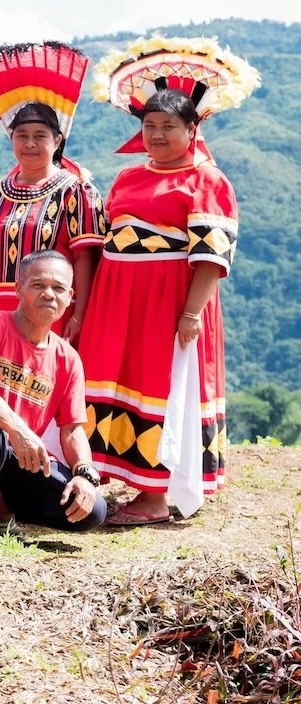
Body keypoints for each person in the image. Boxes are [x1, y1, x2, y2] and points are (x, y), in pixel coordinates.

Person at [80, 36, 259, 524]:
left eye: (168, 127)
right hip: (117, 296)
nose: (157, 135)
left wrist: (190, 313)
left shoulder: (208, 180)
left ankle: (158, 496)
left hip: (169, 298)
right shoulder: (127, 178)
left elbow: (211, 257)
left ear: (192, 127)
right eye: (150, 126)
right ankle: (123, 476)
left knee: (164, 383)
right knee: (118, 379)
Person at [0, 251, 107, 542]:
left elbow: (71, 429)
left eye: (58, 288)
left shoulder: (67, 358)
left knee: (91, 510)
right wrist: (18, 427)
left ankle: (5, 505)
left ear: (70, 296)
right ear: (19, 288)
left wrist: (84, 472)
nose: (49, 294)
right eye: (38, 285)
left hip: (20, 455)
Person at [0, 42, 106, 343]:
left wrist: (80, 316)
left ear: (57, 141)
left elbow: (84, 258)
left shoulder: (76, 192)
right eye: (21, 136)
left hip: (53, 313)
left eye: (40, 136)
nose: (30, 143)